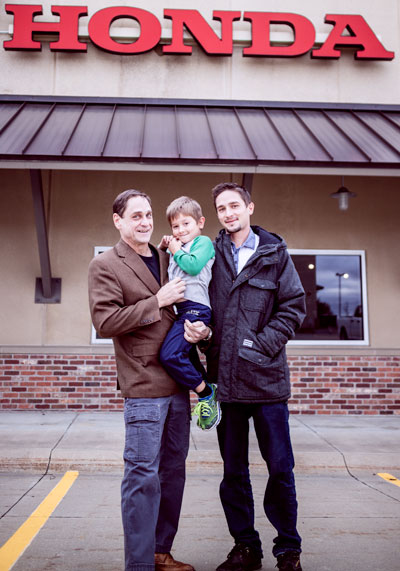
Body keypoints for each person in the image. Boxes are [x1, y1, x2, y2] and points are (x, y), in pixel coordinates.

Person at [184, 183, 306, 571]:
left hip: (267, 383)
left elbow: (293, 307)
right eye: (221, 208)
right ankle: (246, 548)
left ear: (250, 207)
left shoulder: (275, 254)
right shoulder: (212, 255)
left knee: (280, 470)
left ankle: (288, 550)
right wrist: (204, 339)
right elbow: (198, 298)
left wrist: (261, 345)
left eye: (234, 205)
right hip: (227, 384)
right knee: (233, 473)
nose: (228, 213)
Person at [88, 189, 195, 571]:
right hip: (144, 386)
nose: (145, 221)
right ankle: (138, 564)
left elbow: (189, 304)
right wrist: (158, 301)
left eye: (149, 214)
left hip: (179, 384)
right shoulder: (105, 265)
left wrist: (200, 332)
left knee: (173, 474)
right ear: (118, 221)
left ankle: (160, 552)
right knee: (142, 477)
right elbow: (105, 323)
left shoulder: (170, 256)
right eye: (136, 216)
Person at [159, 196, 220, 431]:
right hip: (179, 310)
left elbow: (192, 266)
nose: (181, 230)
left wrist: (174, 248)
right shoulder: (178, 248)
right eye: (175, 226)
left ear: (200, 222)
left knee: (170, 355)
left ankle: (205, 394)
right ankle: (206, 390)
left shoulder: (203, 243)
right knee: (186, 356)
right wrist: (163, 249)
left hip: (196, 308)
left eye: (187, 224)